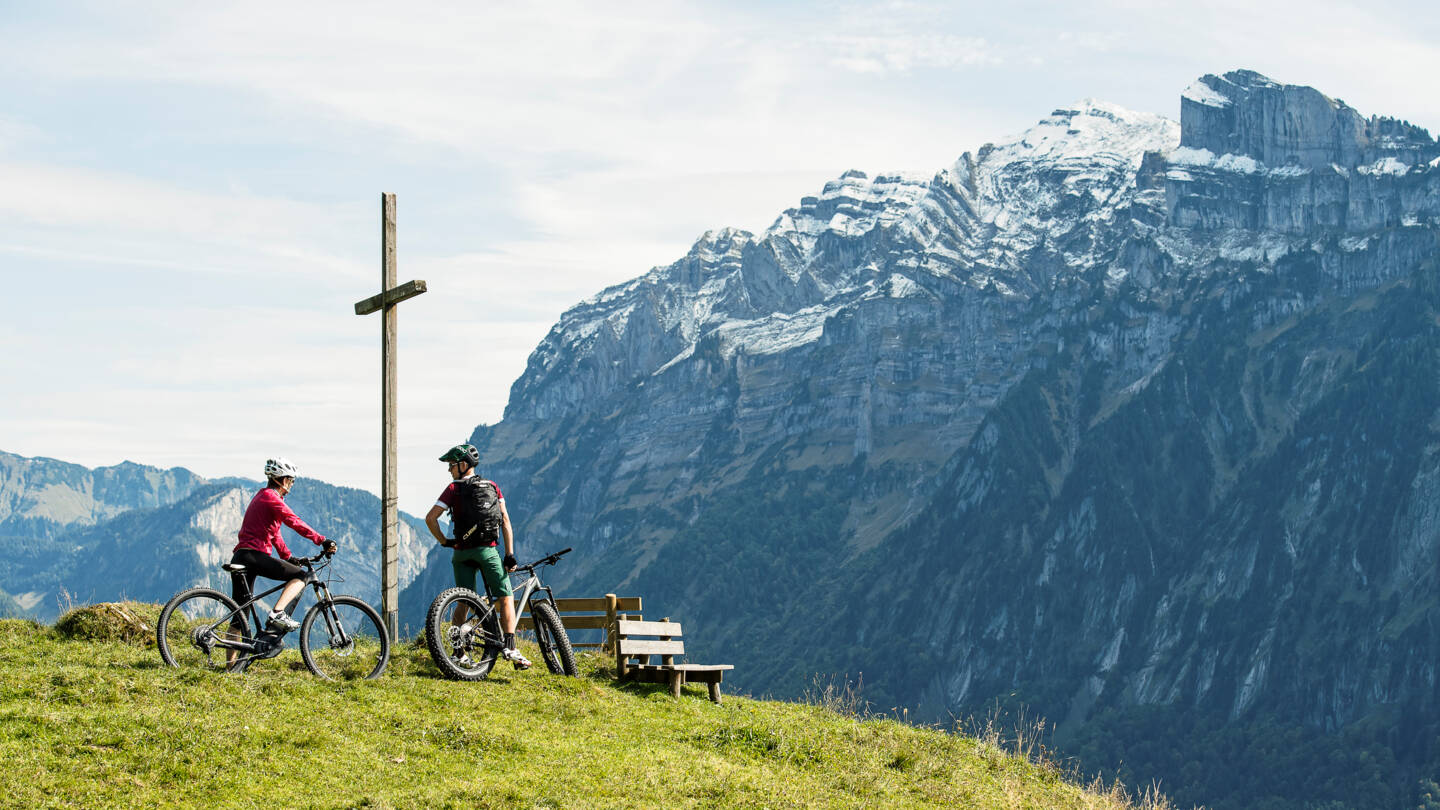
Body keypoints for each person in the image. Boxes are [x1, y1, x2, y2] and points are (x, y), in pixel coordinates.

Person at [425, 443, 531, 670]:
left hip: (461, 553)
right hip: (488, 551)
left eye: (452, 465)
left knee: (462, 601)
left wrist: (445, 541)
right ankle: (510, 647)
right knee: (505, 597)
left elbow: (430, 519)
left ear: (463, 465)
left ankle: (457, 653)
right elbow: (505, 520)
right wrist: (510, 554)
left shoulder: (453, 489)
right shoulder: (492, 486)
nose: (450, 470)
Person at [229, 458, 336, 663]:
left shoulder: (262, 496)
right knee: (300, 576)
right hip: (254, 555)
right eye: (292, 481)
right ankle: (278, 613)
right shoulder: (272, 498)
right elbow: (293, 521)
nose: (292, 485)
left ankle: (230, 669)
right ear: (284, 480)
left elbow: (275, 534)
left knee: (238, 616)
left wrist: (287, 557)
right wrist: (321, 540)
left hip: (241, 555)